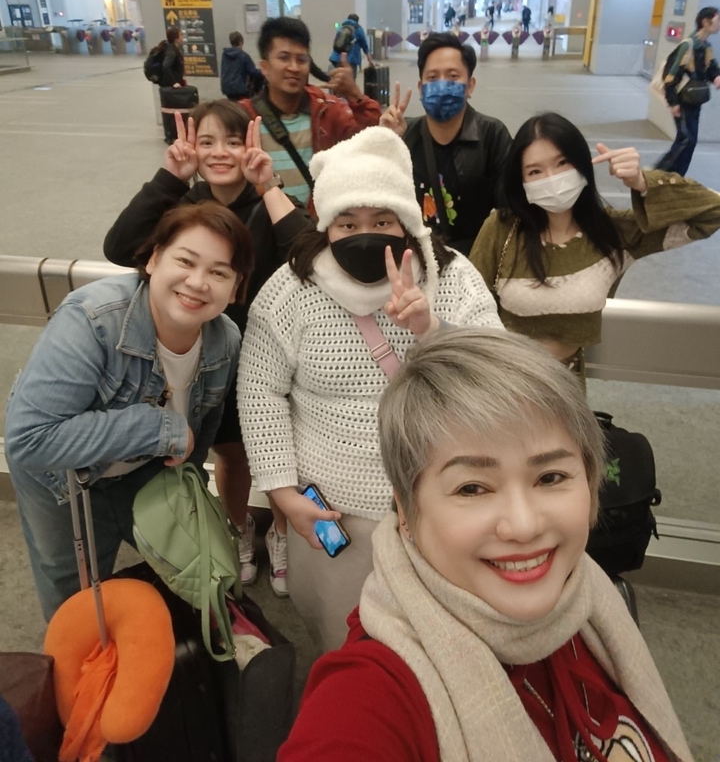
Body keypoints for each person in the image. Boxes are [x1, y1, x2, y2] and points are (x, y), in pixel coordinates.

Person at [279, 327, 694, 762]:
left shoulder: (586, 596)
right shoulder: (369, 697)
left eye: (550, 477)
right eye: (472, 488)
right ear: (406, 510)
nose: (523, 526)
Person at [237, 127, 501, 651]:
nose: (365, 234)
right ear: (326, 224)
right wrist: (283, 493)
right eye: (348, 222)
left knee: (441, 638)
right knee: (342, 636)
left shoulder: (449, 277)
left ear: (405, 220)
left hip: (440, 503)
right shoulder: (292, 288)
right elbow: (260, 390)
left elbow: (499, 371)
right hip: (334, 511)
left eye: (382, 220)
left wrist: (432, 330)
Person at [103, 99, 313, 594]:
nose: (220, 152)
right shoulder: (184, 207)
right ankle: (239, 530)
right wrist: (169, 178)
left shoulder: (269, 203)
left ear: (251, 146)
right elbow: (119, 247)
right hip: (211, 358)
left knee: (282, 454)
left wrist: (268, 185)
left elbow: (311, 255)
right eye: (207, 141)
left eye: (233, 141)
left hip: (272, 358)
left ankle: (282, 534)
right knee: (231, 455)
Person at [6, 202, 253, 620]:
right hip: (61, 479)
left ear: (235, 288)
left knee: (187, 571)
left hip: (146, 471)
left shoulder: (223, 340)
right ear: (154, 259)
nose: (197, 283)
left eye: (218, 272)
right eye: (185, 261)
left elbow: (203, 426)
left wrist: (184, 479)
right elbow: (29, 439)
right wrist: (159, 430)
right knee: (75, 595)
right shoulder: (92, 321)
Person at [469, 111, 720, 383]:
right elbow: (467, 305)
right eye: (535, 171)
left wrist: (644, 182)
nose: (552, 178)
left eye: (562, 163)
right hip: (505, 383)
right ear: (522, 181)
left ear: (581, 164)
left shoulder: (614, 233)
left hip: (567, 385)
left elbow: (711, 213)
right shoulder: (503, 229)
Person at [379, 32, 512, 256]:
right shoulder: (404, 136)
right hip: (417, 258)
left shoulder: (492, 135)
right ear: (421, 87)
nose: (442, 85)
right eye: (432, 77)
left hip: (474, 261)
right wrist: (385, 145)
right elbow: (380, 203)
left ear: (470, 86)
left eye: (452, 76)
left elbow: (510, 209)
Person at [238, 17, 382, 205]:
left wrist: (354, 95)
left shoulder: (327, 110)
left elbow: (372, 140)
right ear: (265, 67)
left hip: (317, 219)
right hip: (265, 220)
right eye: (284, 58)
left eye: (301, 59)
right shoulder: (244, 116)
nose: (294, 67)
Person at [655, 6, 720, 176]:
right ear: (705, 22)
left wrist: (716, 77)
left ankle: (676, 176)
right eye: (717, 19)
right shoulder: (688, 45)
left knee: (690, 141)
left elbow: (712, 68)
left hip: (694, 100)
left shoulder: (705, 46)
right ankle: (660, 173)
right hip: (683, 100)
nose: (719, 24)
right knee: (686, 139)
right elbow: (671, 75)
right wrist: (673, 102)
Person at [328, 13, 375, 80]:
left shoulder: (341, 28)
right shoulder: (358, 29)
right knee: (350, 81)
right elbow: (365, 47)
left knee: (337, 79)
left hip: (335, 59)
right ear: (357, 21)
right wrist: (370, 61)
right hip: (350, 60)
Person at [220, 31, 264, 100]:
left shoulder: (225, 55)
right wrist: (263, 71)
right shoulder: (243, 55)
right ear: (240, 42)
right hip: (239, 90)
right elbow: (253, 72)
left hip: (227, 89)